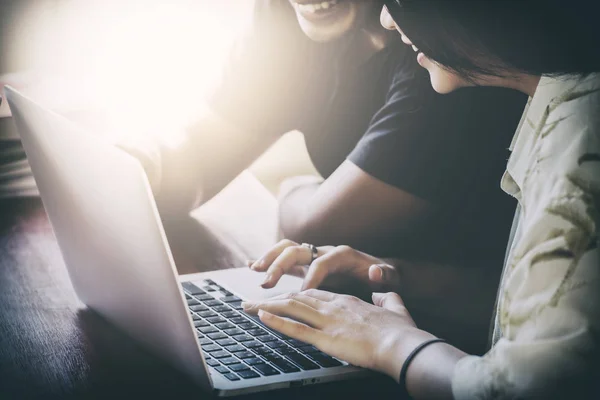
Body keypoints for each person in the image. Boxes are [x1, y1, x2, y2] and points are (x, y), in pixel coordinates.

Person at [241, 1, 600, 398]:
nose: (385, 18)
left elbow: (523, 389)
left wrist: (390, 343)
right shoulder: (559, 99)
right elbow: (543, 317)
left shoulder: (582, 143)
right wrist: (396, 277)